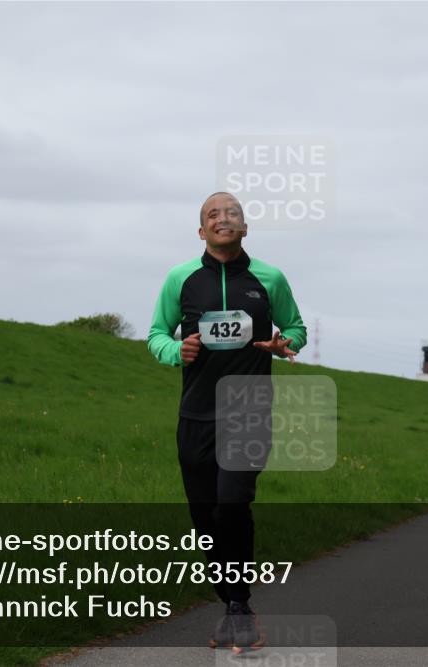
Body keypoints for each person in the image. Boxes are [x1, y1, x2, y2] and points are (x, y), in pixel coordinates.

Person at [147, 192, 307, 651]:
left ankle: (239, 607)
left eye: (232, 212)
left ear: (244, 227)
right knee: (204, 517)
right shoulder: (180, 278)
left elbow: (295, 327)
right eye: (213, 214)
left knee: (232, 505)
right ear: (202, 231)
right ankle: (232, 603)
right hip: (196, 415)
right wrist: (177, 350)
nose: (224, 217)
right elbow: (156, 334)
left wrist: (284, 343)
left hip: (248, 412)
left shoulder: (269, 278)